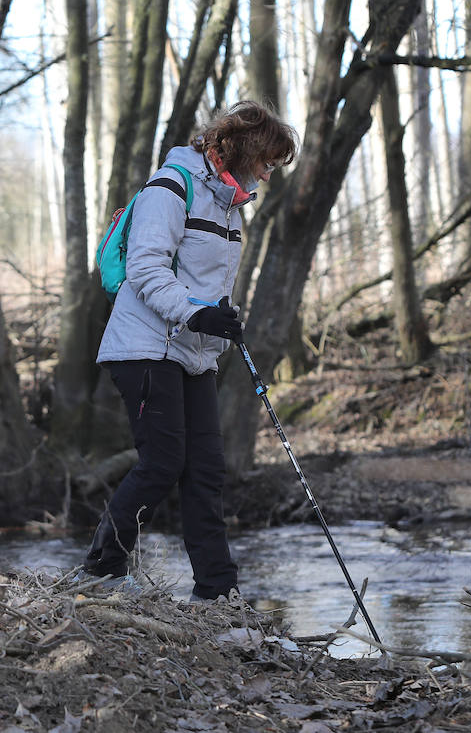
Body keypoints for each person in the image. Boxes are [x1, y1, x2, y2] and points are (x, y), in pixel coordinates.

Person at [82, 101, 298, 601]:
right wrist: (197, 313)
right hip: (143, 347)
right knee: (162, 462)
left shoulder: (229, 205)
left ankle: (217, 593)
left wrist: (220, 318)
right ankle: (101, 572)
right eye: (266, 161)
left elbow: (206, 279)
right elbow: (147, 270)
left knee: (206, 471)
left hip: (194, 352)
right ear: (241, 149)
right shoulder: (171, 186)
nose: (267, 173)